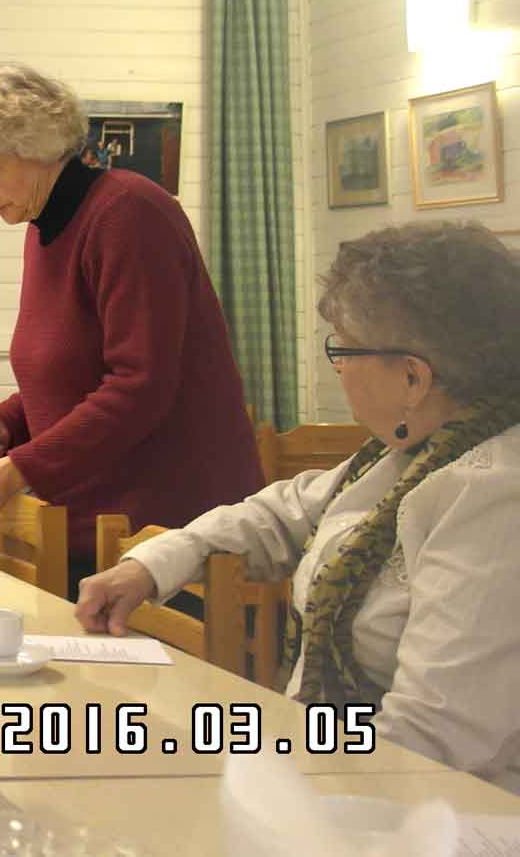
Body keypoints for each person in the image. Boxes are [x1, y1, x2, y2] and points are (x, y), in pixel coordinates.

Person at [78, 222, 520, 791]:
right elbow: (282, 512)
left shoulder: (493, 497)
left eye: (344, 349)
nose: (338, 368)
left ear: (413, 376)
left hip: (424, 805)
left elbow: (433, 737)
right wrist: (152, 564)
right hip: (342, 774)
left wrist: (279, 780)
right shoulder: (413, 452)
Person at [0, 65, 261, 596]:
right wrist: (7, 422)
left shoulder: (128, 213)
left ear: (37, 150)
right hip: (99, 521)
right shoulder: (45, 227)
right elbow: (72, 369)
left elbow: (140, 385)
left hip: (165, 530)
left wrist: (18, 470)